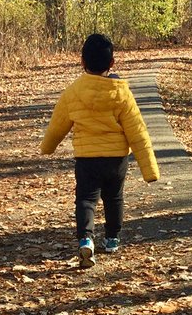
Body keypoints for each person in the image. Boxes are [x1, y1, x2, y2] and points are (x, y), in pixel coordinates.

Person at [41, 33, 159, 267]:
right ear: (112, 63)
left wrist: (48, 147)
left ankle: (86, 239)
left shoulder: (73, 92)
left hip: (87, 159)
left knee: (85, 199)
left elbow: (58, 125)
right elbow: (138, 132)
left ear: (82, 62)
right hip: (116, 160)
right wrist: (149, 169)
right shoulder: (121, 92)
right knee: (114, 198)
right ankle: (112, 238)